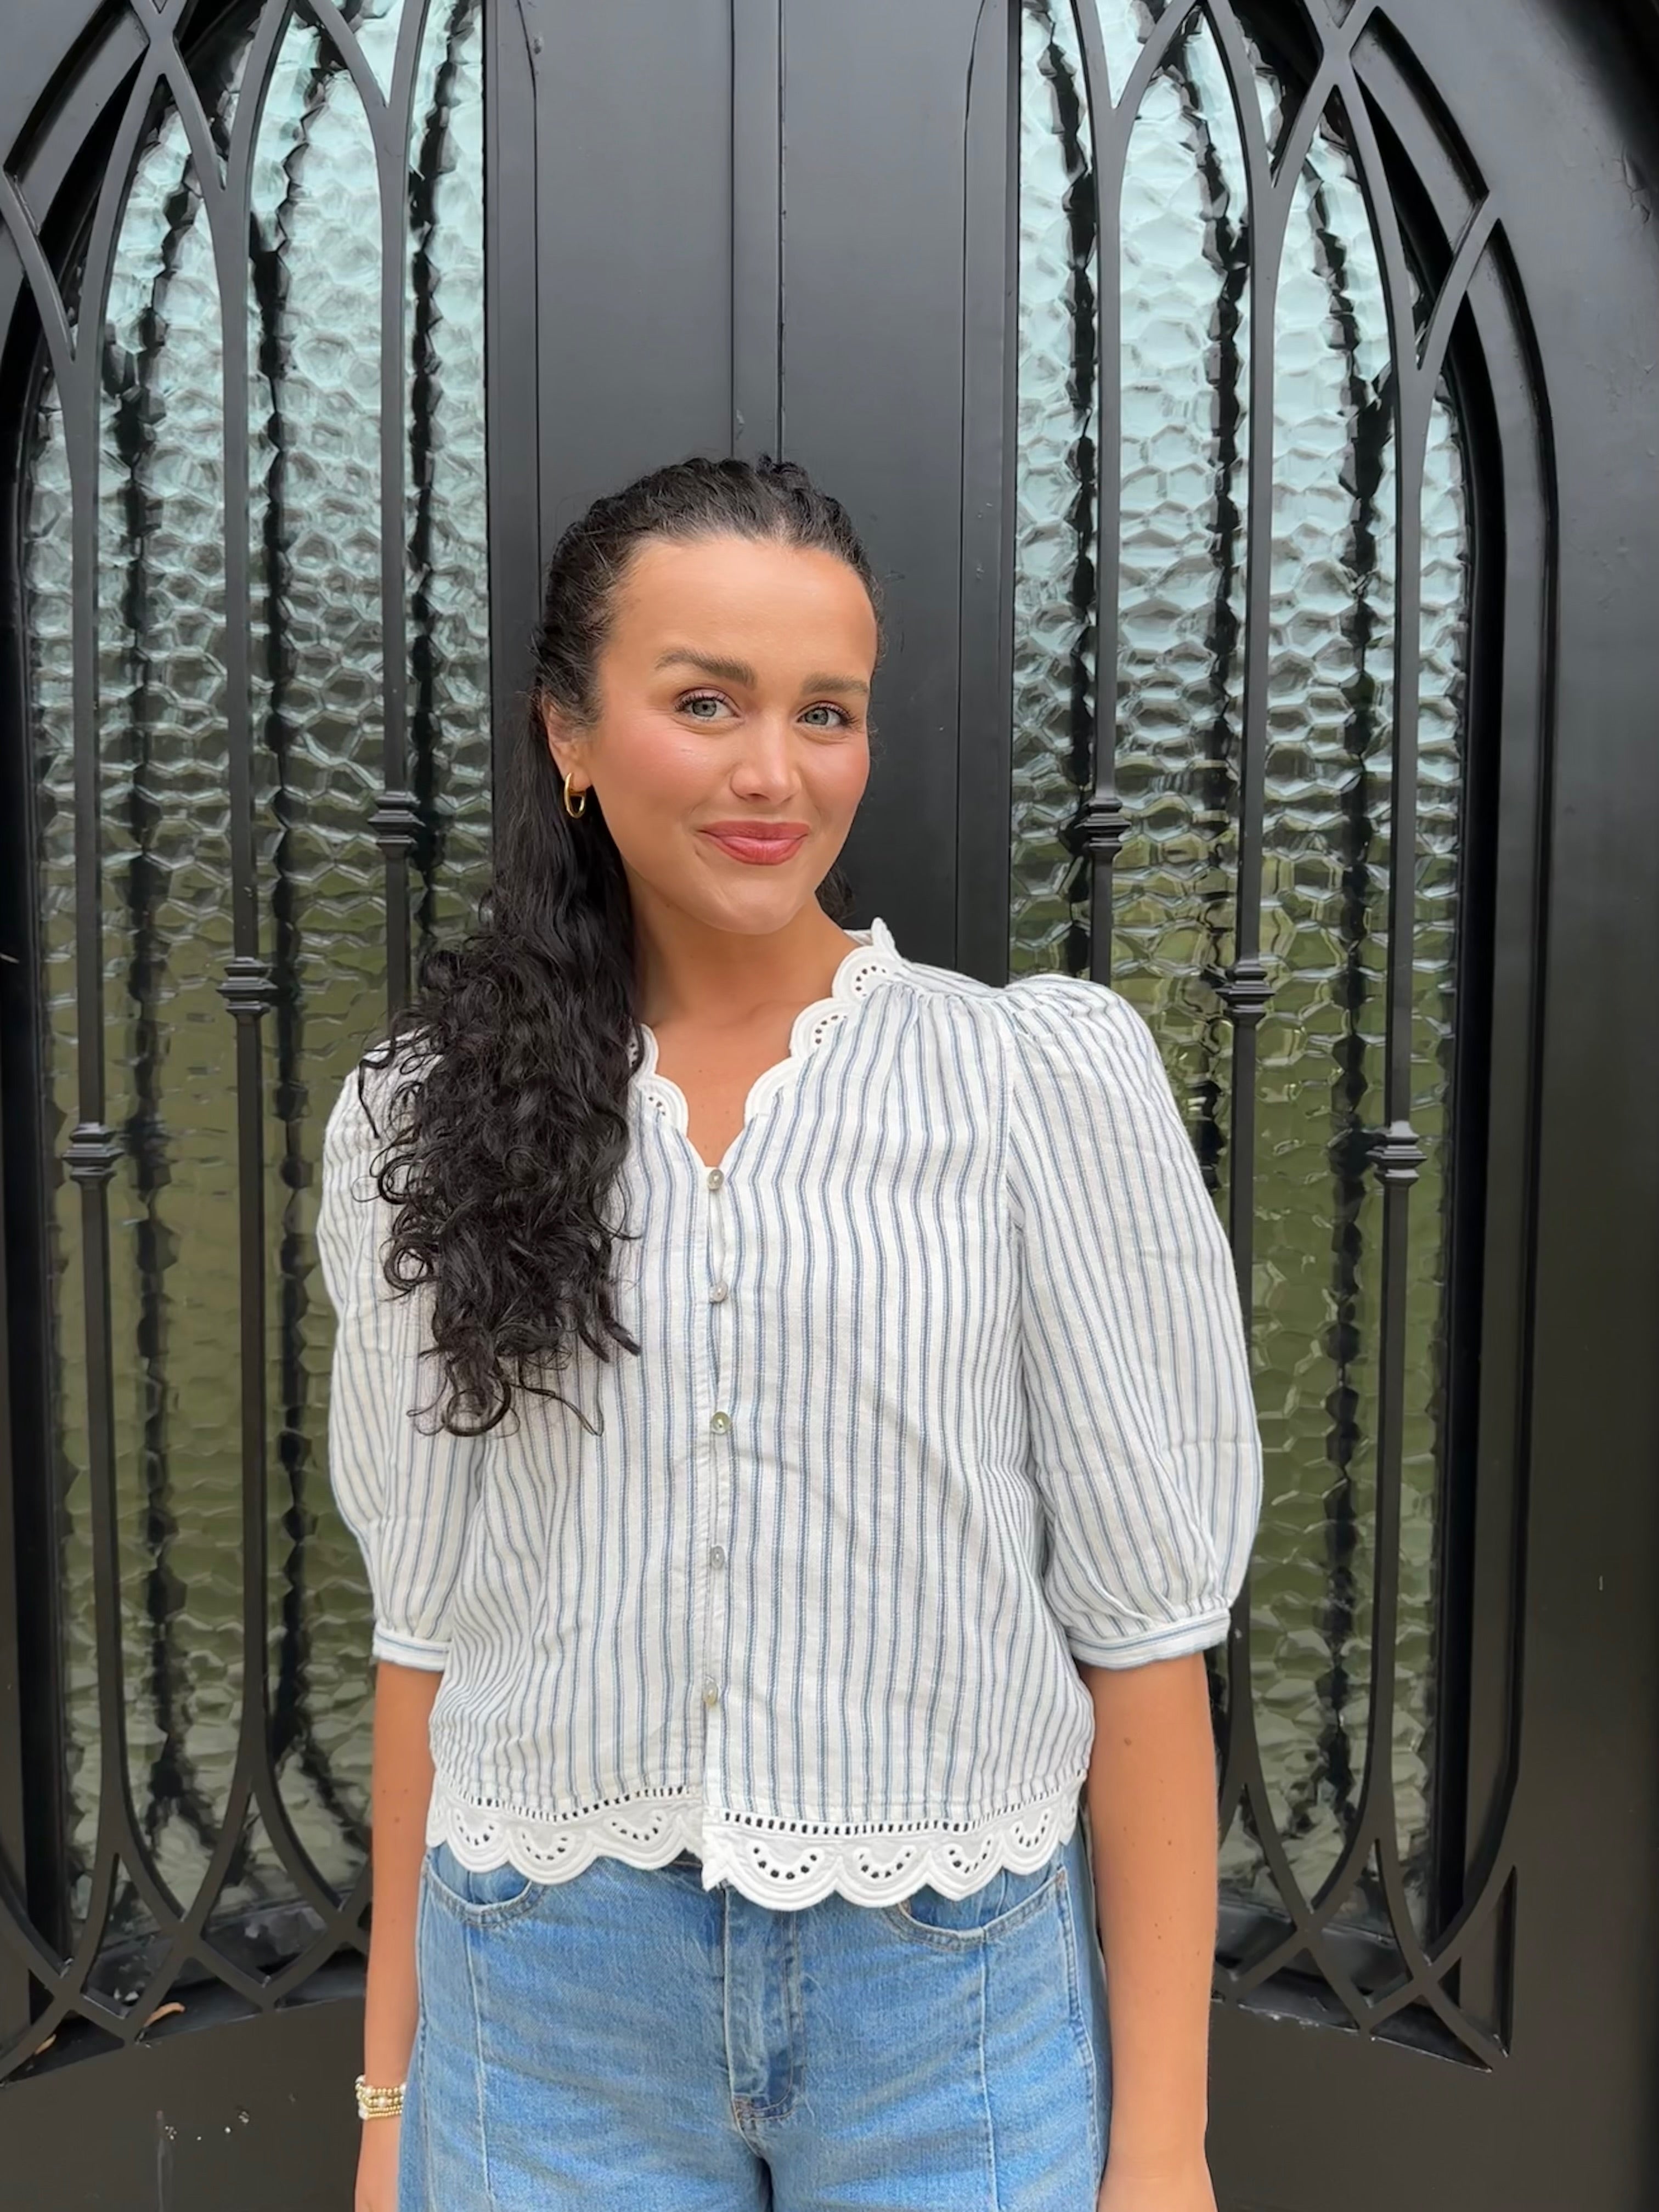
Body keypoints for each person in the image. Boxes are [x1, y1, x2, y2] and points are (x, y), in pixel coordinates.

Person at [317, 454, 1263, 2212]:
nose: (775, 771)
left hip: (952, 2007)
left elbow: (1146, 1637)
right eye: (705, 701)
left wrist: (1166, 2147)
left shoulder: (1031, 1087)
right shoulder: (421, 1118)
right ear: (570, 737)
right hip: (546, 2004)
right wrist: (387, 2113)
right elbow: (422, 1635)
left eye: (827, 711)